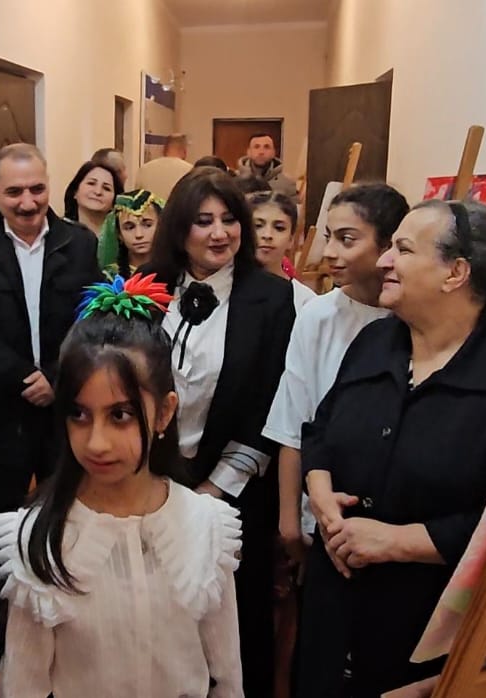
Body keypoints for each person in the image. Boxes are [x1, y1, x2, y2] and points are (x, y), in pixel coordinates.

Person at [296, 201, 486, 697]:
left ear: (455, 273)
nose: (383, 260)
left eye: (402, 249)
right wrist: (319, 491)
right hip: (332, 608)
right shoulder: (374, 342)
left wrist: (399, 542)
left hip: (425, 634)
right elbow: (321, 429)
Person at [0, 274, 243, 697]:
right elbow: (22, 685)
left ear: (164, 413)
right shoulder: (40, 539)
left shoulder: (205, 527)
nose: (97, 442)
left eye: (120, 416)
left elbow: (228, 675)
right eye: (79, 414)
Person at [144, 167, 295, 698]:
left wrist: (214, 489)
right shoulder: (147, 288)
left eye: (229, 220)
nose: (219, 233)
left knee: (234, 617)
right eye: (203, 220)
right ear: (179, 228)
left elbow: (271, 401)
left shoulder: (271, 297)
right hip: (152, 482)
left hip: (232, 489)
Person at [260, 183, 408, 693]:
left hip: (390, 528)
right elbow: (293, 421)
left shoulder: (409, 320)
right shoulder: (318, 316)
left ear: (388, 245)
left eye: (347, 239)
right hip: (318, 518)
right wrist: (289, 522)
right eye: (328, 236)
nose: (329, 253)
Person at [0, 144, 101, 535]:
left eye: (37, 189)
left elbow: (90, 317)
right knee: (2, 519)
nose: (28, 203)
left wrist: (55, 375)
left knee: (69, 513)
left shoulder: (80, 243)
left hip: (64, 404)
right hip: (0, 410)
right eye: (14, 192)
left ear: (49, 185)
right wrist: (22, 377)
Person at [249, 190, 315, 309]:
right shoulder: (225, 289)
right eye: (257, 226)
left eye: (279, 228)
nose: (267, 235)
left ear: (291, 238)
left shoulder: (305, 301)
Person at [97, 188, 164, 279]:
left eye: (147, 225)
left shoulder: (176, 272)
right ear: (119, 234)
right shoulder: (109, 277)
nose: (139, 234)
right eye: (129, 228)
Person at [63, 161, 122, 236]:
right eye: (91, 183)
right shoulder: (57, 233)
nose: (98, 192)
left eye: (106, 188)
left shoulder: (124, 238)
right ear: (75, 192)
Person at [134, 133, 193, 201]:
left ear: (164, 150)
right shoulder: (190, 171)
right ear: (185, 151)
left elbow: (137, 200)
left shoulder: (144, 169)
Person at [235, 133, 297, 198]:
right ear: (249, 152)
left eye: (266, 147)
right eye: (256, 147)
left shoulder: (287, 183)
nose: (261, 152)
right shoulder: (234, 181)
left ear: (273, 152)